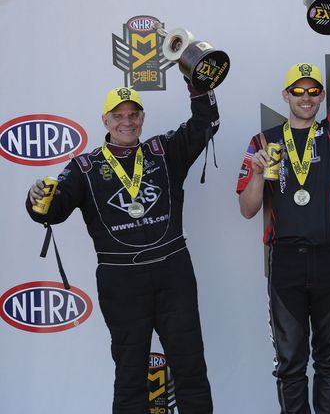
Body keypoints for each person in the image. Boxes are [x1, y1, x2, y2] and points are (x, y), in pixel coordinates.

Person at [26, 83, 218, 413]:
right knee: (130, 376)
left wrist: (199, 89)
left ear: (142, 118)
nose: (126, 122)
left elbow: (205, 124)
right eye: (118, 116)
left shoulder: (164, 151)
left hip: (173, 273)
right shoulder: (84, 168)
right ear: (105, 120)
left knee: (191, 369)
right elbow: (52, 211)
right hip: (122, 280)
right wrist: (37, 202)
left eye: (133, 115)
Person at [236, 29, 330, 414]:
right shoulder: (263, 143)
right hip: (286, 261)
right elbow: (247, 209)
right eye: (298, 91)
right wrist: (258, 175)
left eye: (313, 91)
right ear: (285, 96)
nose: (306, 97)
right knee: (290, 365)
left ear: (322, 97)